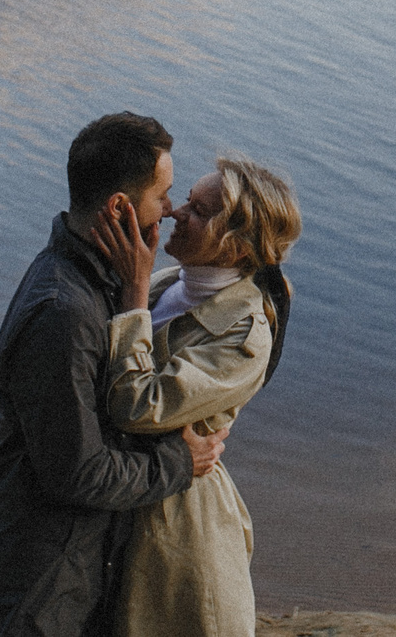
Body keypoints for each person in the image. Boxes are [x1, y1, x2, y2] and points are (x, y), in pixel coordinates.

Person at [0, 112, 226, 637]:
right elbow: (78, 472)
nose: (171, 210)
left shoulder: (101, 283)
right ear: (118, 208)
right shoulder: (64, 313)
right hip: (38, 589)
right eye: (163, 197)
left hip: (73, 572)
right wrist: (179, 462)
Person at [86, 154, 302, 637]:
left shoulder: (245, 337)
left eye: (201, 212)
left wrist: (133, 293)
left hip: (178, 532)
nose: (175, 214)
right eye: (185, 200)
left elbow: (137, 406)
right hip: (128, 494)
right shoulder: (172, 284)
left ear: (239, 246)